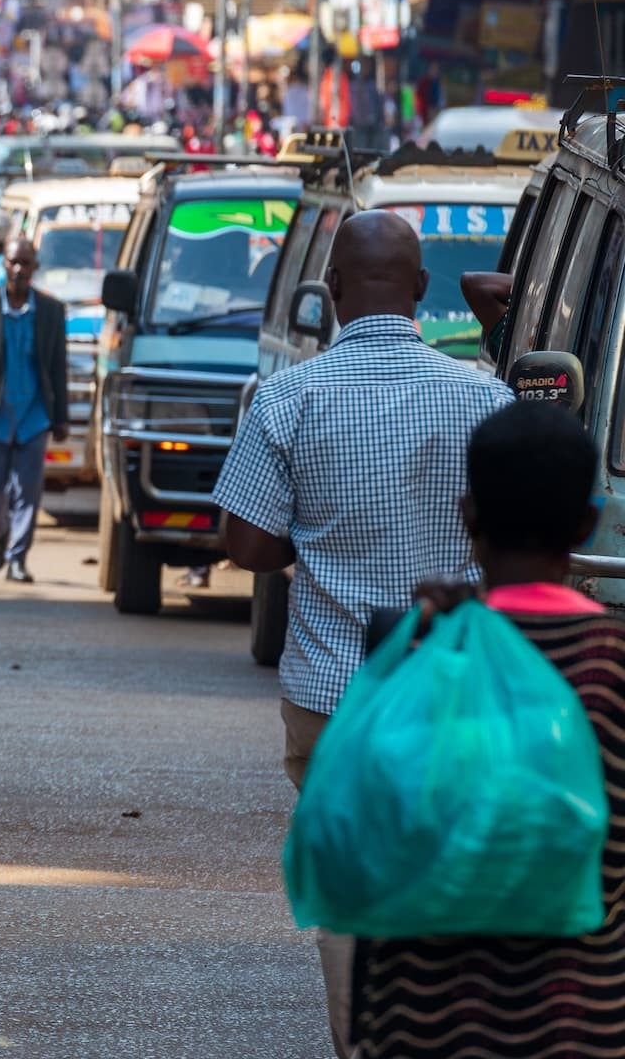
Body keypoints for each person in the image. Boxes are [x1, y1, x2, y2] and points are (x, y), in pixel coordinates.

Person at [213, 209, 513, 1058]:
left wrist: (316, 540)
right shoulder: (485, 398)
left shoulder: (287, 397)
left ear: (332, 288)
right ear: (420, 290)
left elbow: (248, 546)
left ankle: (367, 1043)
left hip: (333, 694)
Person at [347, 401, 625, 1059]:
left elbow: (361, 833)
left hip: (419, 1021)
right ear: (587, 523)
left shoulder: (417, 648)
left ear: (467, 513)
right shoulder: (612, 663)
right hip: (577, 1022)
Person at [0, 237, 67, 583]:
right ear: (3, 265)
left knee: (28, 491)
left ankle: (18, 558)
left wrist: (60, 417)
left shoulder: (51, 311)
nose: (19, 269)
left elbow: (58, 365)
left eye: (25, 263)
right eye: (13, 262)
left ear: (35, 267)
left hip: (34, 415)